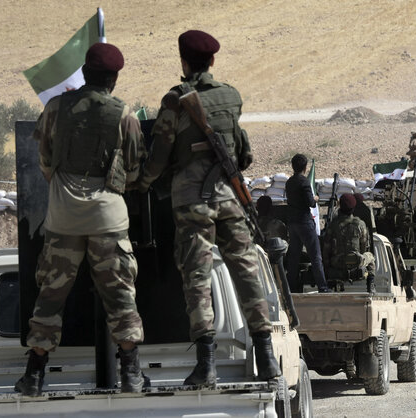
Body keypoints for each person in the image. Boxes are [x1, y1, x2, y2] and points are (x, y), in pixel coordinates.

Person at [134, 30, 280, 387]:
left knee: (197, 280)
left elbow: (159, 157)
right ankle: (268, 360)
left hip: (192, 203)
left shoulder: (176, 101)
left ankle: (207, 365)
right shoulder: (231, 97)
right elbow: (242, 152)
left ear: (184, 62)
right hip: (229, 198)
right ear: (212, 61)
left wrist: (139, 183)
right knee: (247, 274)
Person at [16, 43, 148, 396]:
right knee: (120, 295)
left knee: (50, 295)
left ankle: (34, 375)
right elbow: (134, 171)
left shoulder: (56, 107)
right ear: (114, 79)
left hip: (63, 218)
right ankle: (132, 375)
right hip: (108, 219)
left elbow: (44, 161)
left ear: (85, 73)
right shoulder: (125, 114)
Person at [284, 153, 329, 293]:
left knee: (294, 257)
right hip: (304, 222)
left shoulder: (289, 182)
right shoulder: (304, 182)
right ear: (305, 167)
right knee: (315, 256)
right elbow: (310, 202)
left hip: (293, 223)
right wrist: (316, 197)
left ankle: (290, 287)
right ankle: (323, 287)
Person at [323, 194, 376, 293]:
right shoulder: (360, 225)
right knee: (370, 256)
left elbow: (326, 250)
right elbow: (364, 248)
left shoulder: (333, 225)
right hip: (356, 264)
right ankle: (371, 283)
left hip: (337, 264)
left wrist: (327, 270)